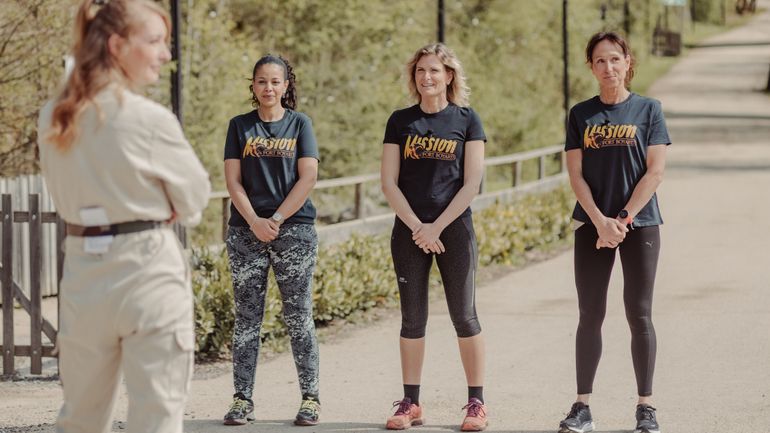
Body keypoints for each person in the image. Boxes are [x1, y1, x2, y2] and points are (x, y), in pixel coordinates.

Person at [36, 1, 211, 432]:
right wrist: (163, 204)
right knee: (156, 417)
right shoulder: (148, 119)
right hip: (147, 269)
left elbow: (62, 196)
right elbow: (194, 199)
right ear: (117, 45)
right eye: (154, 41)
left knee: (79, 419)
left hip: (82, 272)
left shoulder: (54, 117)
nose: (165, 54)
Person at [558, 31, 670, 433]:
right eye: (600, 61)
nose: (609, 67)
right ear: (591, 66)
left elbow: (655, 173)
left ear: (628, 62)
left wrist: (620, 220)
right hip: (592, 226)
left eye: (615, 59)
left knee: (639, 314)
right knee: (590, 314)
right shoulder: (580, 115)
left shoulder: (648, 110)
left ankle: (646, 407)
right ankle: (582, 407)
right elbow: (575, 174)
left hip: (639, 226)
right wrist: (599, 221)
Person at [380, 43, 488, 432]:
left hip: (453, 230)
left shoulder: (467, 119)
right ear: (414, 77)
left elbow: (472, 182)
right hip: (409, 230)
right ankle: (411, 402)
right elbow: (389, 182)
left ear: (449, 76)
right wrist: (416, 227)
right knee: (412, 318)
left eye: (435, 71)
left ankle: (476, 402)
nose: (427, 77)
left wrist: (437, 227)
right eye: (421, 71)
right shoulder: (400, 121)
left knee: (464, 314)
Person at [222, 54, 321, 427]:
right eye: (262, 81)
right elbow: (233, 181)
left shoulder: (300, 124)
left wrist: (276, 219)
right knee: (247, 319)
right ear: (253, 85)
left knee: (299, 318)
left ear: (286, 85)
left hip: (293, 232)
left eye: (275, 81)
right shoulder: (239, 126)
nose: (268, 88)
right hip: (245, 233)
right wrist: (253, 221)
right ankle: (242, 399)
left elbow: (307, 177)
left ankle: (310, 399)